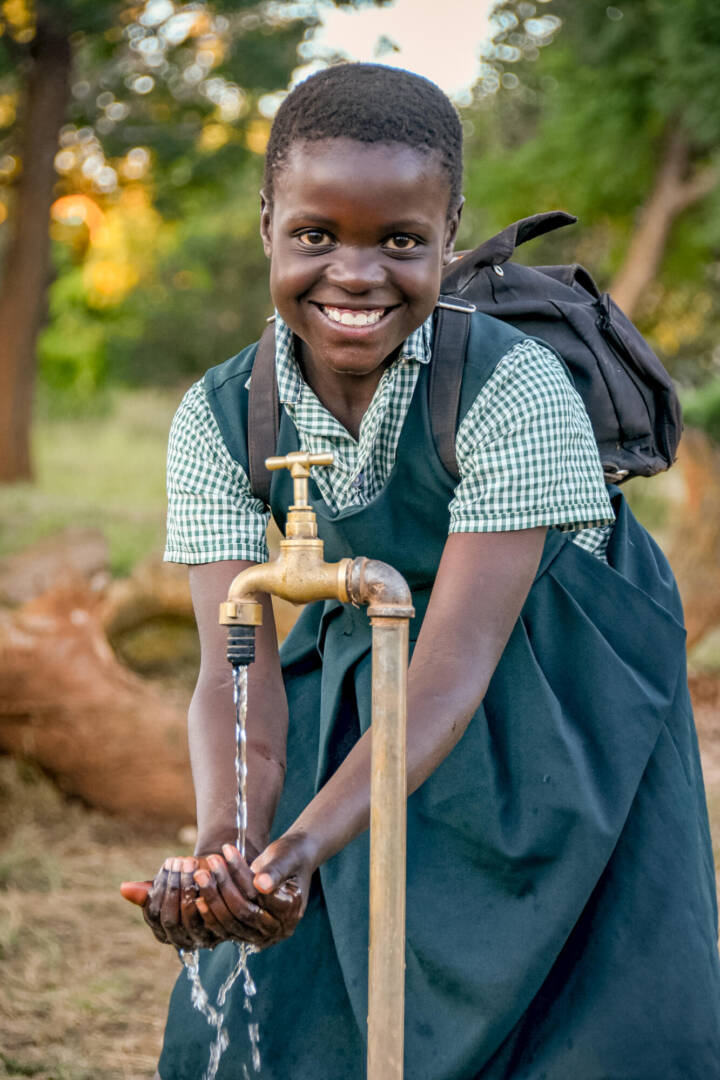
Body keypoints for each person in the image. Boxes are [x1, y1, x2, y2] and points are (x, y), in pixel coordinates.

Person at [121, 63, 720, 1079]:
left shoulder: (513, 387)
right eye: (316, 234)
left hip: (556, 668)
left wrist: (304, 851)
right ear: (268, 224)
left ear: (448, 236)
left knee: (588, 998)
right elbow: (233, 668)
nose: (354, 275)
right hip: (378, 649)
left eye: (400, 241)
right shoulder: (223, 415)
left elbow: (458, 666)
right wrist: (232, 848)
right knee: (324, 993)